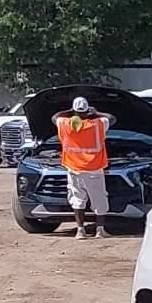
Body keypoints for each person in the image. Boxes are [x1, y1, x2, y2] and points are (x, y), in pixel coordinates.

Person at [55, 95, 111, 237]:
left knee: (77, 200)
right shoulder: (97, 124)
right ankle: (100, 230)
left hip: (74, 169)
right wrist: (94, 113)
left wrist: (70, 111)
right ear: (87, 111)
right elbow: (111, 118)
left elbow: (54, 117)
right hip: (94, 169)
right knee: (99, 199)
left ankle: (80, 230)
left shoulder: (65, 124)